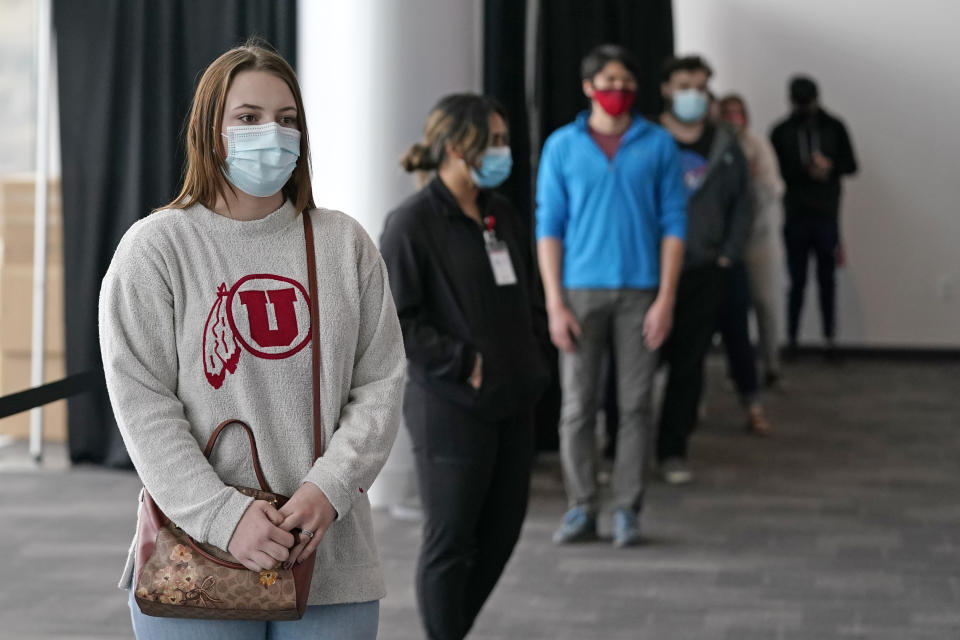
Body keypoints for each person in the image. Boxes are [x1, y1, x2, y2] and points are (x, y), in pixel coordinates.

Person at [99, 43, 405, 639]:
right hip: (198, 556)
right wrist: (224, 516)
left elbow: (381, 383)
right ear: (211, 131)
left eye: (287, 119)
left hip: (330, 557)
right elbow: (143, 406)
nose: (272, 132)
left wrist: (328, 488)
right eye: (248, 117)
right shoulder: (156, 248)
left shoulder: (346, 245)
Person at [380, 94, 550, 640]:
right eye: (494, 140)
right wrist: (467, 365)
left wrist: (533, 350)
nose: (504, 151)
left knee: (502, 534)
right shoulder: (412, 223)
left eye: (503, 139)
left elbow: (527, 296)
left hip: (514, 398)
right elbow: (399, 322)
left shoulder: (501, 211)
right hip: (450, 406)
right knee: (450, 541)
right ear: (456, 146)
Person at [536, 44, 686, 546]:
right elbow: (549, 227)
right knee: (578, 407)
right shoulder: (562, 145)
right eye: (608, 80)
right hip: (579, 293)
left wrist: (666, 298)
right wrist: (554, 302)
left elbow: (674, 226)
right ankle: (582, 506)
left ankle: (627, 508)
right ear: (588, 86)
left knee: (637, 406)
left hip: (641, 294)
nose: (617, 91)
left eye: (625, 82)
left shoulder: (659, 144)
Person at [656, 55, 753, 482]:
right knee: (634, 366)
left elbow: (743, 203)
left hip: (704, 267)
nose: (693, 95)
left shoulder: (725, 143)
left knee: (689, 364)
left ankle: (672, 450)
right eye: (684, 85)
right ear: (666, 89)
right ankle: (616, 447)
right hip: (649, 271)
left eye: (700, 87)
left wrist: (728, 252)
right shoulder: (647, 139)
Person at [770, 76, 858, 356]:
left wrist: (830, 167)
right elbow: (775, 172)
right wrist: (805, 171)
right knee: (796, 281)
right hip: (795, 214)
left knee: (826, 279)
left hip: (826, 215)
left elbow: (851, 164)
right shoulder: (781, 131)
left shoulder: (833, 127)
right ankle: (793, 339)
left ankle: (829, 338)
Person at [720, 94, 786, 388]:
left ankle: (771, 362)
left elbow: (774, 188)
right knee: (726, 307)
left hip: (756, 237)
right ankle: (736, 367)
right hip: (722, 240)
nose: (734, 118)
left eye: (739, 112)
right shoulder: (715, 147)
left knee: (764, 301)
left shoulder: (757, 145)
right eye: (728, 112)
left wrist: (753, 180)